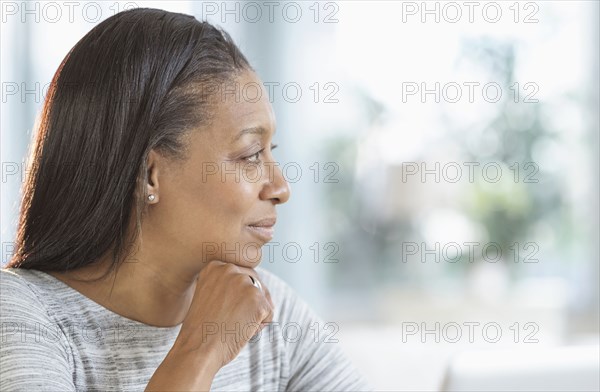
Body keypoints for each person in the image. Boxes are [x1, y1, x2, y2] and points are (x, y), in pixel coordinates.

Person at [0, 7, 374, 392]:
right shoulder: (23, 318)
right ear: (149, 175)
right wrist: (201, 350)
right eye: (249, 155)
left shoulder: (270, 312)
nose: (280, 188)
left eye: (270, 150)